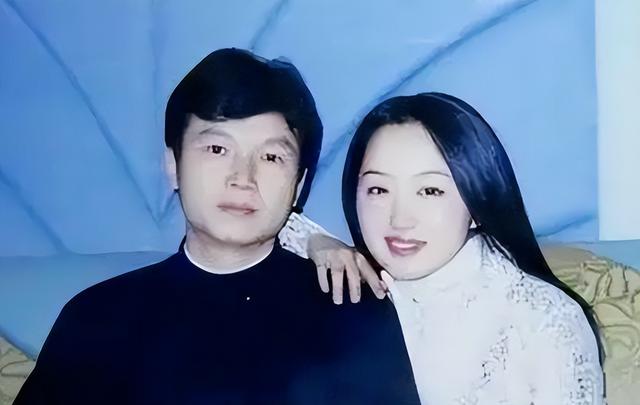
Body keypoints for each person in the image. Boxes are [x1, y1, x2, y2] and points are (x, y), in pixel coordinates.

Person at [15, 49, 419, 405]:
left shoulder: (351, 309)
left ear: (297, 185)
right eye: (217, 148)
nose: (243, 177)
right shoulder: (95, 317)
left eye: (271, 157)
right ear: (173, 166)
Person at [292, 93, 605, 404]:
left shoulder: (545, 321)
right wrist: (315, 241)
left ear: (476, 199)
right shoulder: (355, 291)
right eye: (379, 189)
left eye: (430, 191)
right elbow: (270, 222)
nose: (400, 219)